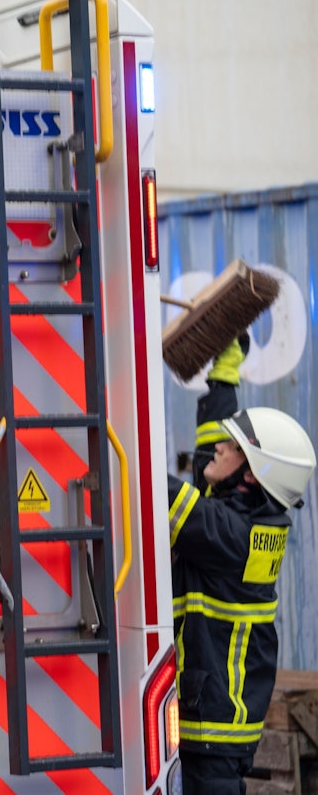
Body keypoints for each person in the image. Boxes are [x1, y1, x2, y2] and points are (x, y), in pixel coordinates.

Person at [168, 337, 316, 795]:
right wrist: (223, 373)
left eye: (230, 450)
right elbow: (220, 445)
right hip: (214, 733)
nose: (215, 451)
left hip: (212, 738)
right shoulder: (249, 517)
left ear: (249, 474)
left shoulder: (231, 535)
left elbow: (156, 489)